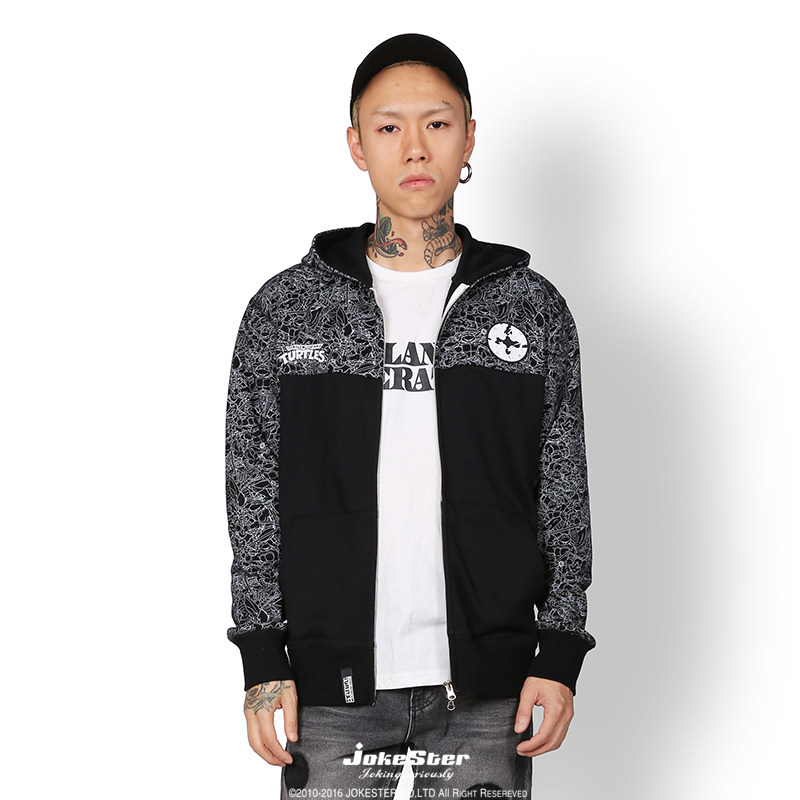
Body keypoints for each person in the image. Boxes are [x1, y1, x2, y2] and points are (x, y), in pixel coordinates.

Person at [224, 33, 596, 797]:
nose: (415, 147)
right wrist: (262, 657)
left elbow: (562, 492)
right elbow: (252, 494)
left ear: (468, 138)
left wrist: (559, 652)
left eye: (438, 122)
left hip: (488, 692)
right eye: (389, 126)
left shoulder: (531, 308)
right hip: (329, 692)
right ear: (357, 145)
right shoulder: (287, 309)